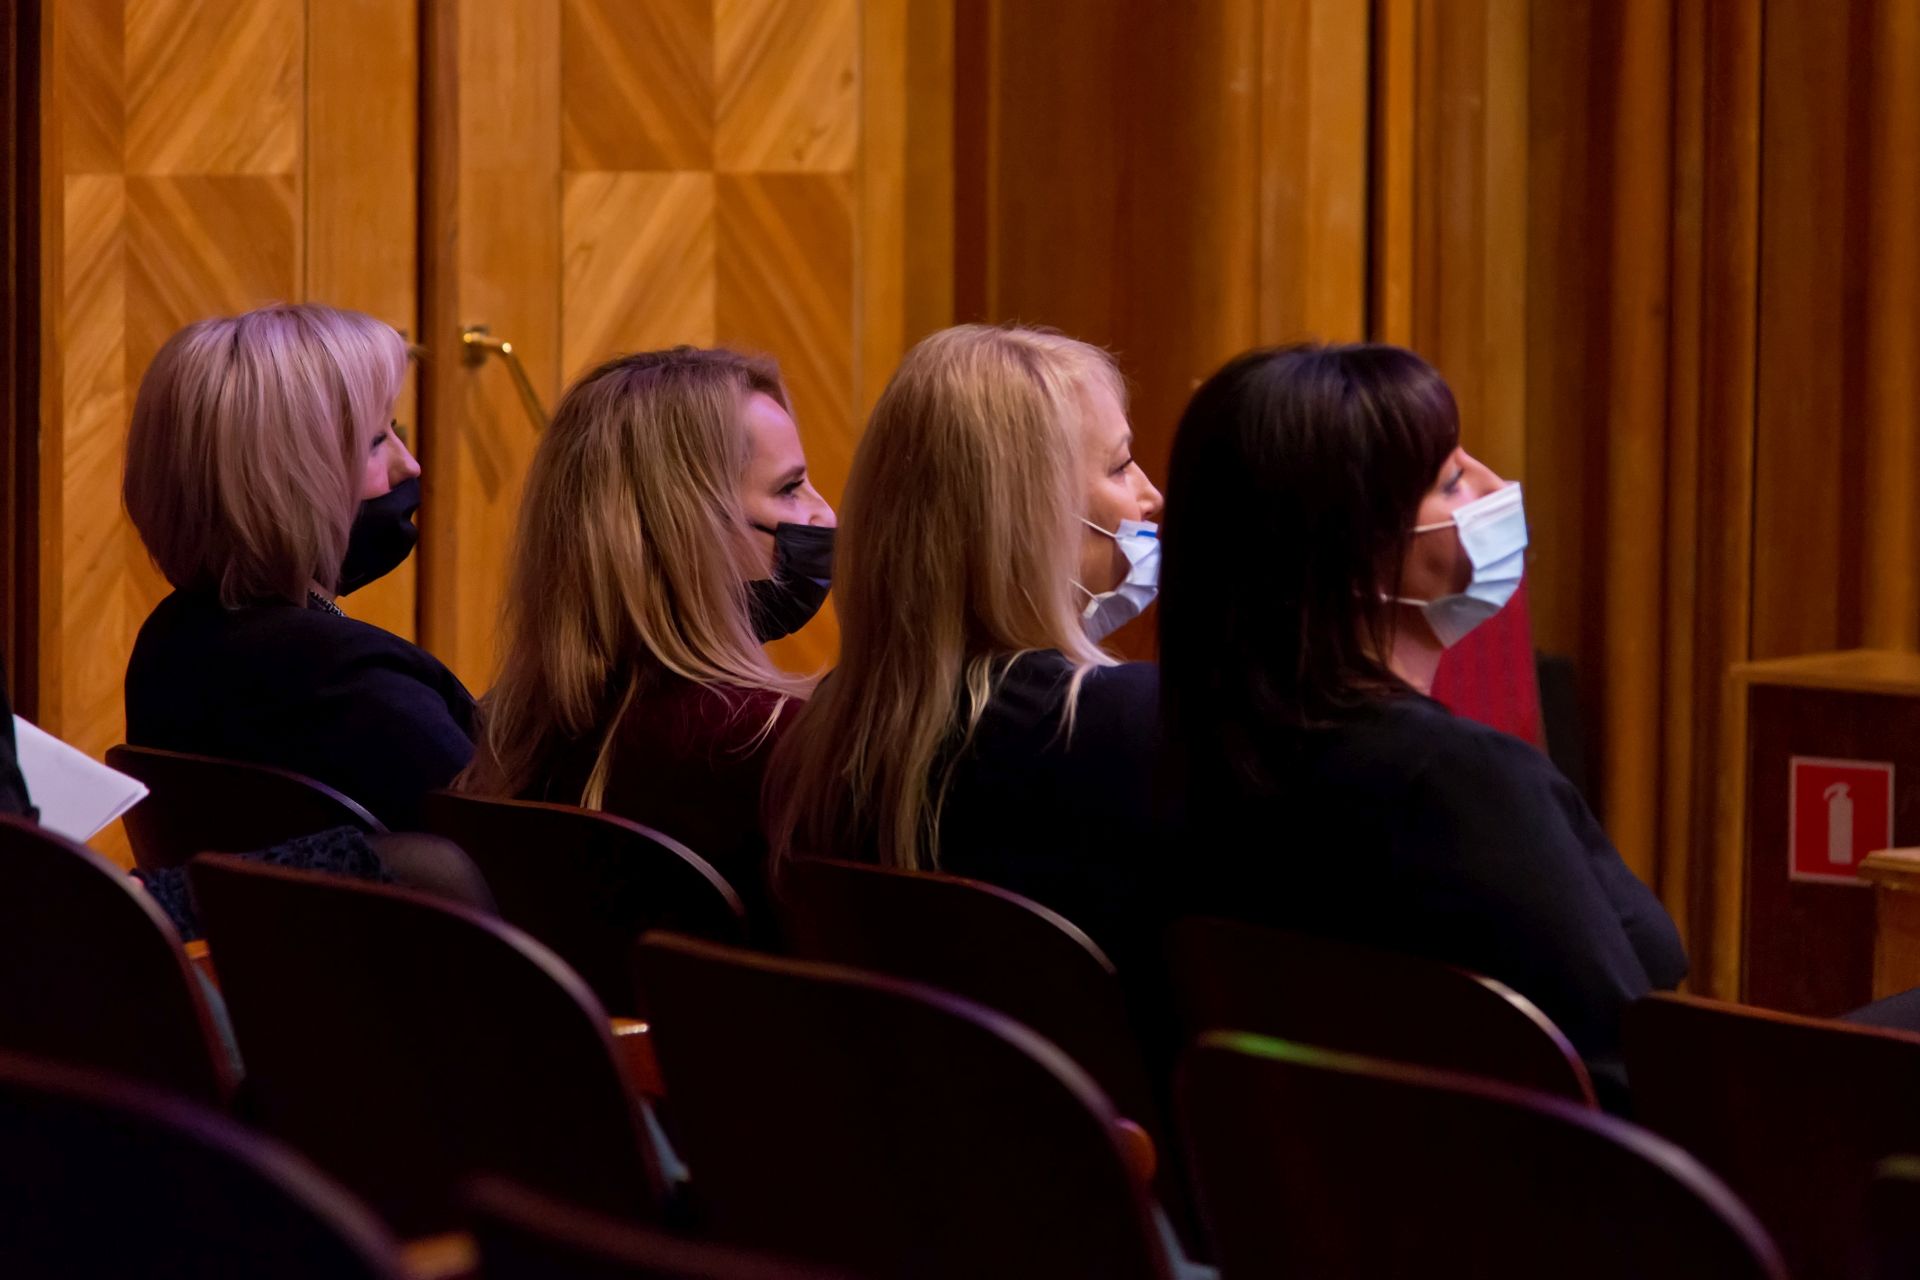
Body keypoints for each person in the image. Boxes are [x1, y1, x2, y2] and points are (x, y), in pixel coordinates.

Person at [1156, 341, 1685, 1097]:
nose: (1497, 488)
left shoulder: (1190, 750)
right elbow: (1624, 1064)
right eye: (1452, 481)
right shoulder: (1460, 782)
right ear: (1349, 551)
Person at [764, 324, 1164, 969]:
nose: (1151, 496)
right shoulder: (1128, 721)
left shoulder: (828, 725)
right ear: (1027, 516)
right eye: (1120, 466)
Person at [458, 347, 833, 926]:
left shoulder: (509, 732)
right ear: (686, 531)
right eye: (790, 488)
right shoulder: (775, 744)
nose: (824, 514)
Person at [123, 303, 472, 830]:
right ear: (285, 483)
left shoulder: (166, 645)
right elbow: (507, 852)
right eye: (377, 443)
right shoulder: (354, 685)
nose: (410, 465)